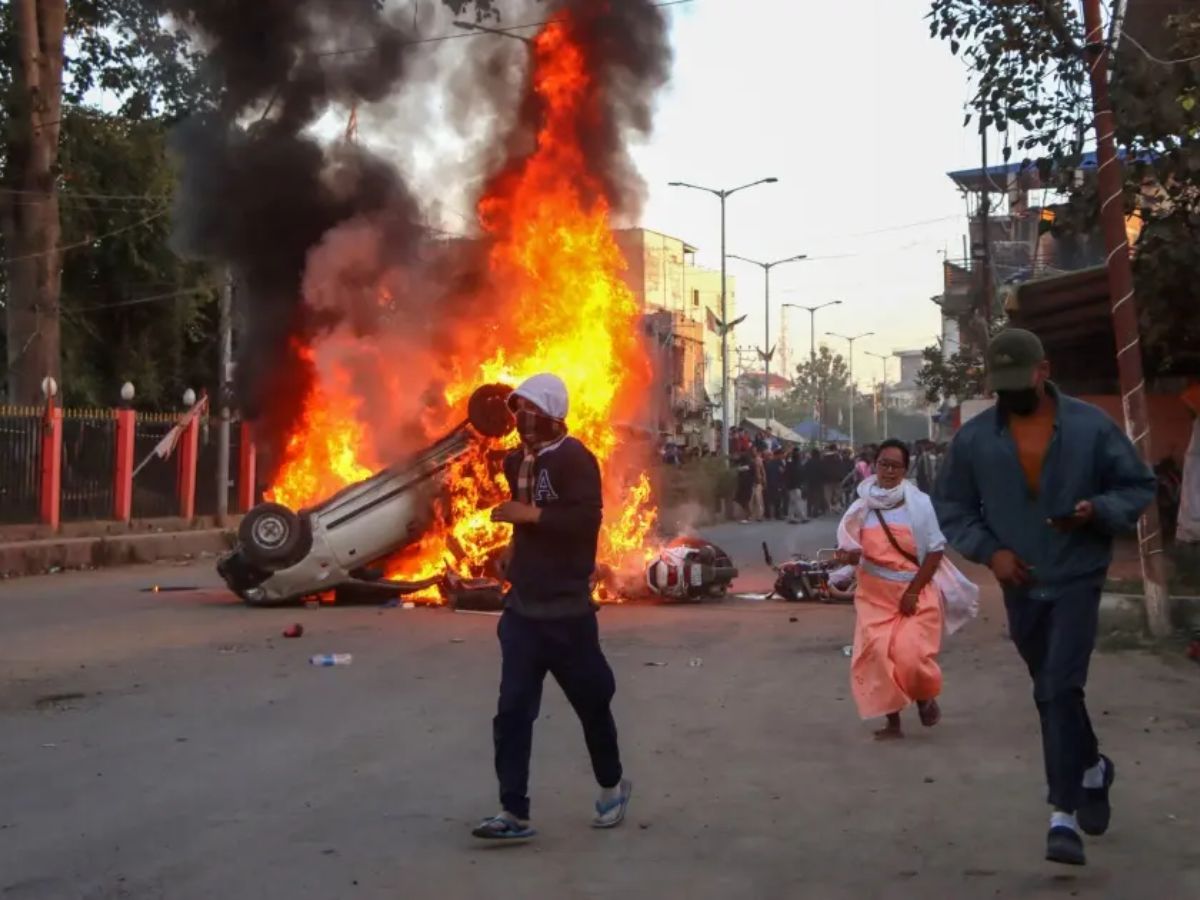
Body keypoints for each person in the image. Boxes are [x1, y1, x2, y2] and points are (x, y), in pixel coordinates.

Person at [934, 329, 1155, 867]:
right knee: (1052, 690)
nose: (1009, 395)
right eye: (999, 386)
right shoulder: (975, 439)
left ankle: (1063, 814)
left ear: (1043, 370)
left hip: (1078, 574)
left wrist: (1095, 511)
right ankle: (1093, 769)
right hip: (1021, 584)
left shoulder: (1089, 427)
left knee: (1059, 685)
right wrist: (992, 554)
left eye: (1018, 382)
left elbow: (1137, 485)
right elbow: (954, 507)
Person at [476, 374, 631, 842]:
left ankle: (612, 783)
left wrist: (532, 517)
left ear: (549, 415)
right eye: (515, 409)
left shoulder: (576, 459)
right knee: (512, 712)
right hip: (523, 611)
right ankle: (513, 811)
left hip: (567, 614)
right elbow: (525, 522)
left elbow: (586, 520)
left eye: (527, 410)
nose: (519, 419)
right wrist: (512, 547)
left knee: (592, 703)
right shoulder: (513, 461)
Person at [836, 439, 978, 741]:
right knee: (879, 656)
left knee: (909, 656)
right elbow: (853, 550)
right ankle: (893, 722)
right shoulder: (861, 506)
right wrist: (848, 557)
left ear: (905, 469)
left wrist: (913, 592)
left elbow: (936, 552)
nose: (888, 470)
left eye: (895, 465)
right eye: (883, 464)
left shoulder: (920, 504)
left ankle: (925, 696)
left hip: (914, 592)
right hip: (874, 595)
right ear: (874, 465)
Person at [803, 448, 827, 519]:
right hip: (818, 482)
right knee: (817, 497)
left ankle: (809, 512)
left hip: (809, 482)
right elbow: (824, 472)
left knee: (809, 498)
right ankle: (815, 512)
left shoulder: (808, 462)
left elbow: (804, 471)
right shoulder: (821, 462)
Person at [763, 449, 786, 520]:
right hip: (776, 483)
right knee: (777, 500)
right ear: (777, 455)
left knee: (771, 500)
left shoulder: (770, 463)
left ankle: (769, 515)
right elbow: (781, 473)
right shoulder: (777, 463)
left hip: (771, 483)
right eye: (781, 454)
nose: (782, 456)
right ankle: (777, 514)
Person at [786, 447, 807, 524]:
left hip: (792, 485)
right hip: (795, 485)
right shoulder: (796, 463)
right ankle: (802, 517)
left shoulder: (791, 462)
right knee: (797, 501)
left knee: (793, 502)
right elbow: (798, 474)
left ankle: (791, 517)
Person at [750, 447, 767, 521]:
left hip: (758, 482)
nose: (753, 452)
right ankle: (752, 515)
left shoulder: (759, 460)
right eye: (752, 451)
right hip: (751, 481)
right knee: (751, 499)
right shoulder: (750, 460)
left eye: (755, 451)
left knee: (758, 498)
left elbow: (762, 470)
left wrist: (764, 479)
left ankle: (760, 515)